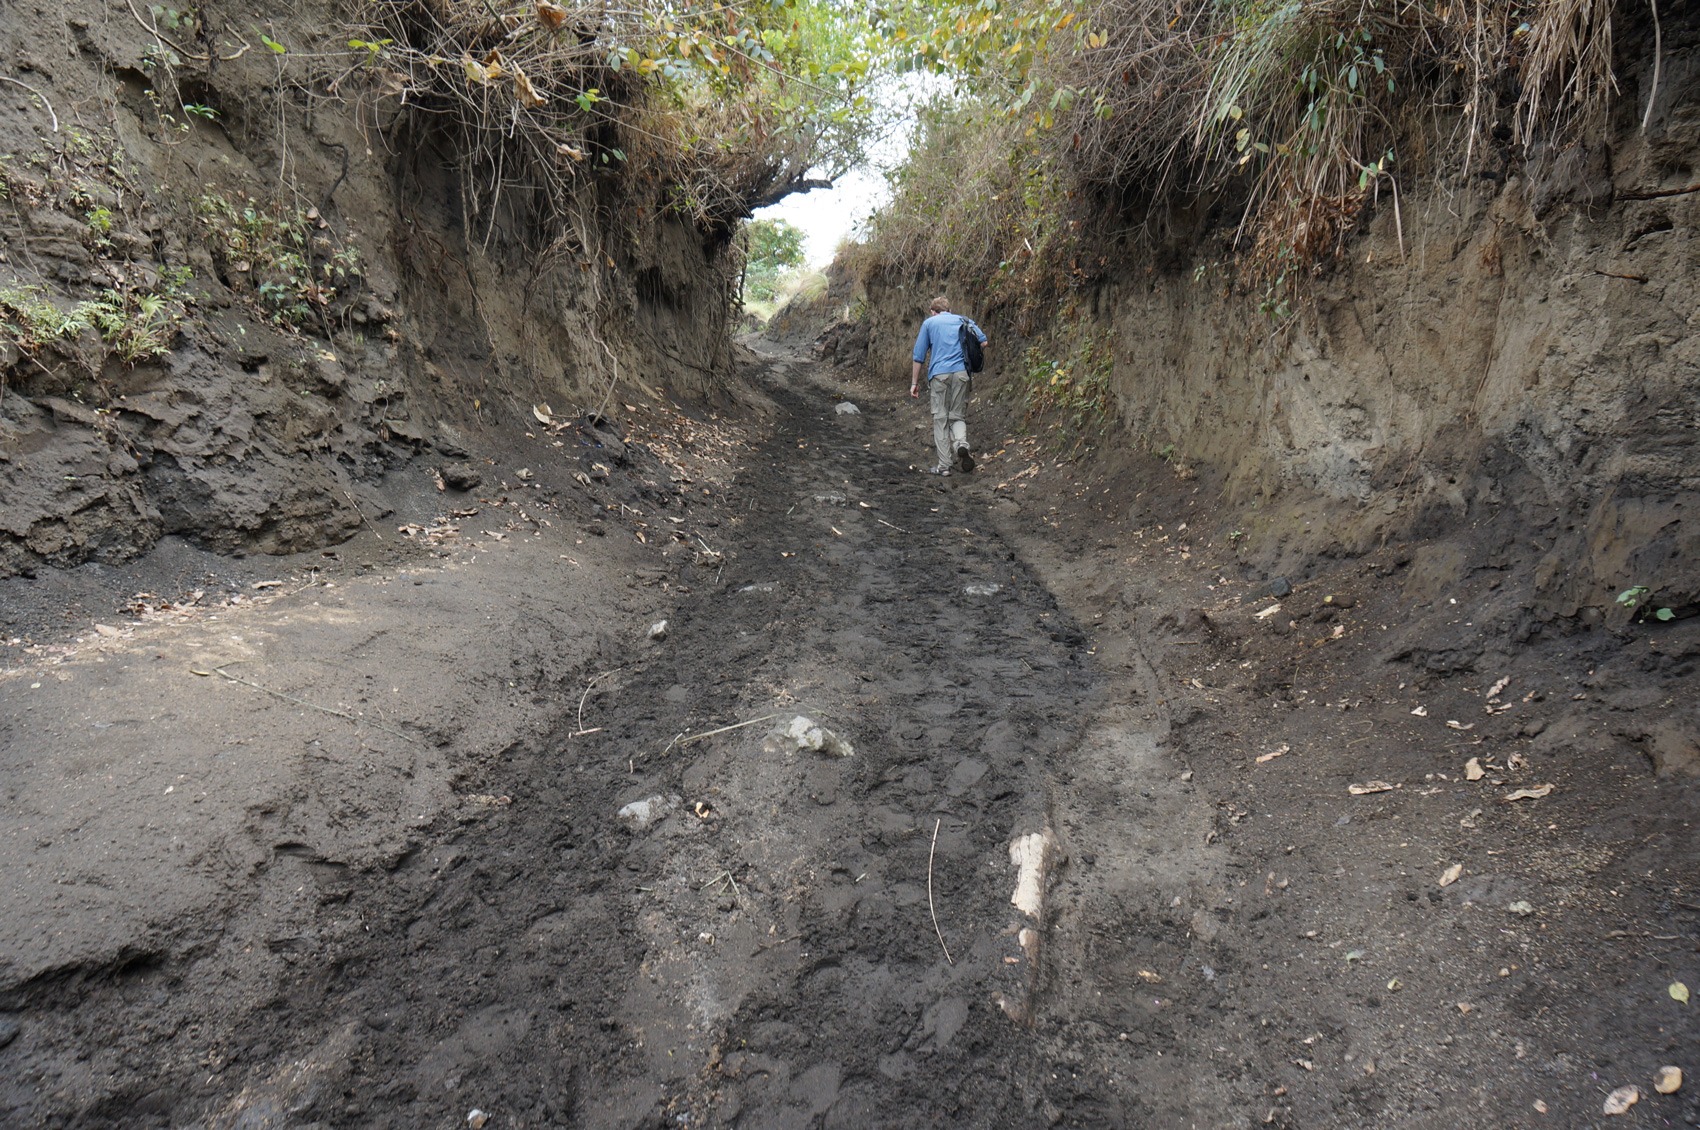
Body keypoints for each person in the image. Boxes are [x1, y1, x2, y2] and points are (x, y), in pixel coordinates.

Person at [909, 296, 988, 476]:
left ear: (933, 311)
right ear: (949, 309)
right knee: (957, 416)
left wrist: (914, 383)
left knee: (941, 418)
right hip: (962, 373)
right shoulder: (963, 320)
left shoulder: (929, 323)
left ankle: (944, 466)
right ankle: (961, 444)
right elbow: (983, 341)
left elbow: (918, 355)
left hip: (940, 375)